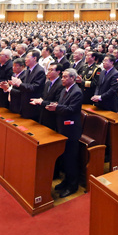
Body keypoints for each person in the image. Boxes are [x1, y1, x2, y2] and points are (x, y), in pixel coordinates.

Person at [31, 68, 83, 198]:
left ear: (72, 78)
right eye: (63, 77)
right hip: (62, 127)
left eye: (65, 77)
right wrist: (53, 105)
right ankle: (66, 181)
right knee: (64, 157)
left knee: (71, 159)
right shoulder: (65, 90)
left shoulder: (77, 92)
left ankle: (72, 186)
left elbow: (71, 109)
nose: (62, 79)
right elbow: (60, 104)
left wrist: (56, 107)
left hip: (71, 130)